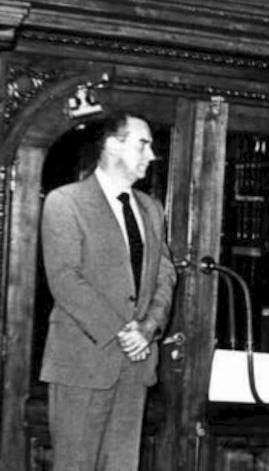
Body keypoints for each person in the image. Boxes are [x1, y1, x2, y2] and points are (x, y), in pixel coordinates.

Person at [40, 112, 177, 471]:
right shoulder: (64, 202)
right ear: (113, 145)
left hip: (135, 365)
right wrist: (122, 332)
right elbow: (65, 280)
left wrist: (148, 328)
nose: (152, 155)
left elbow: (165, 275)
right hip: (83, 362)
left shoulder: (151, 209)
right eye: (143, 144)